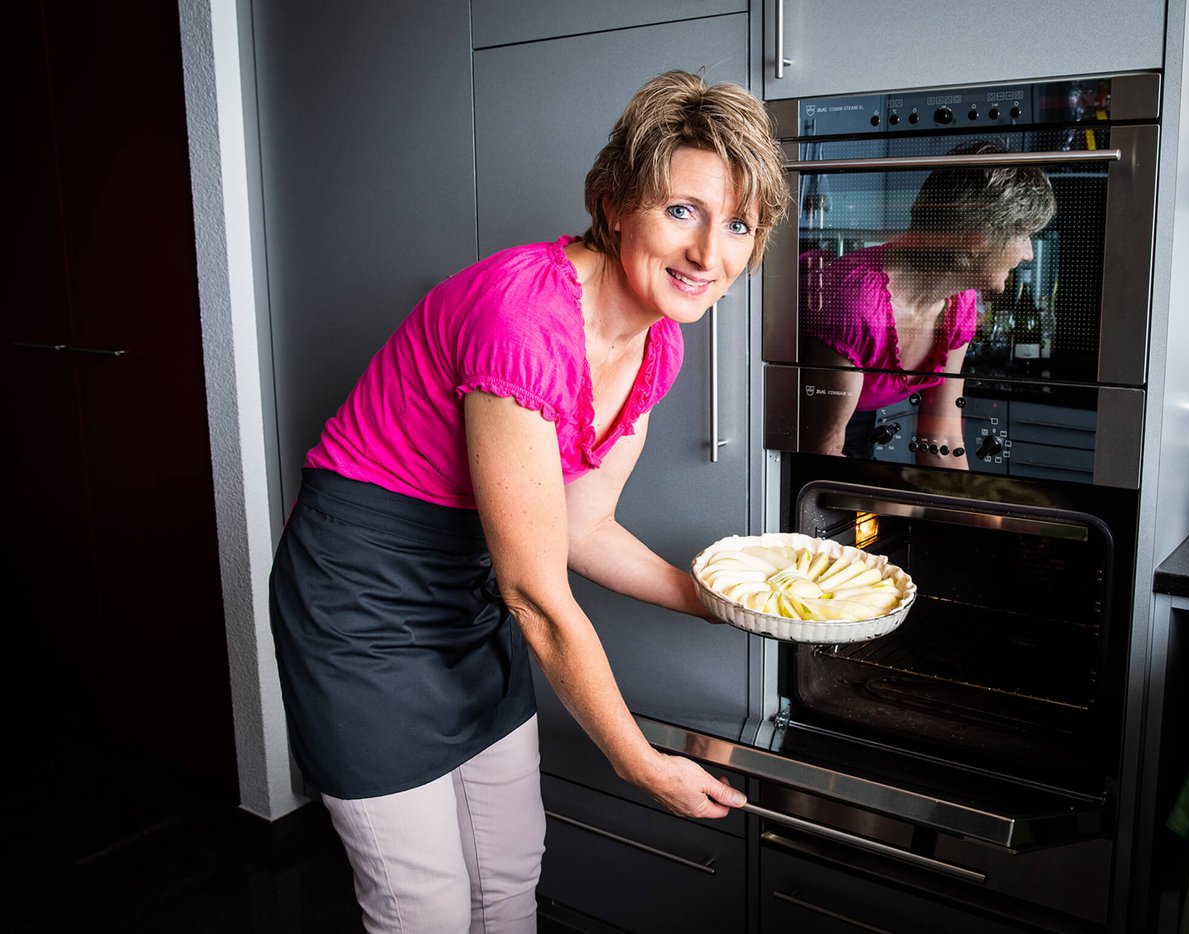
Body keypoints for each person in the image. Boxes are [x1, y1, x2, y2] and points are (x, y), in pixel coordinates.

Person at [267, 70, 788, 933]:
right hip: (361, 604)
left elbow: (583, 529)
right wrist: (639, 762)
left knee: (508, 876)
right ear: (616, 203)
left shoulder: (656, 346)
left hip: (471, 597)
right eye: (683, 211)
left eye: (737, 224)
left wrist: (724, 605)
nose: (710, 256)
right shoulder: (524, 318)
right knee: (423, 906)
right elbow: (539, 596)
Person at [799, 140, 1055, 466]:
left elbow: (942, 439)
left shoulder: (960, 304)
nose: (1029, 252)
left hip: (854, 423)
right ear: (979, 238)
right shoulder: (858, 305)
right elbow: (818, 454)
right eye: (1023, 234)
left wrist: (963, 511)